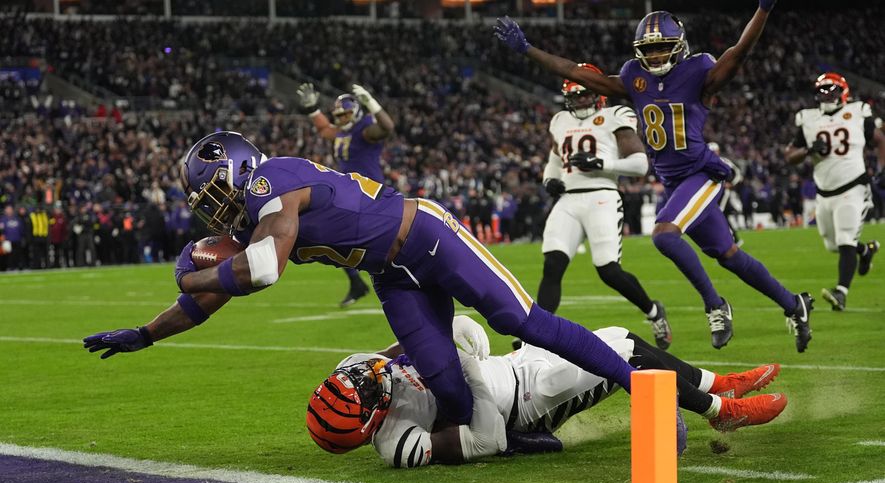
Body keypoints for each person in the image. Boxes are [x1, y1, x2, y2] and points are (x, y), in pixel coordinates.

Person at [85, 131, 647, 428]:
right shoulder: (258, 210)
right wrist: (147, 332)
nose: (214, 211)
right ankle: (518, 434)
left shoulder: (268, 181)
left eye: (214, 193)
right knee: (452, 397)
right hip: (393, 275)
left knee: (519, 320)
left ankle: (640, 391)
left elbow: (260, 271)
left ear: (238, 170)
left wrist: (188, 279)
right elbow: (214, 300)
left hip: (428, 237)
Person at [494, 2, 815, 352]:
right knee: (729, 255)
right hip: (674, 181)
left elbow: (738, 53)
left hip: (701, 173)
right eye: (649, 49)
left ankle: (715, 305)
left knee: (664, 235)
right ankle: (793, 304)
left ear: (679, 46)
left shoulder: (698, 72)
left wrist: (763, 11)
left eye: (663, 46)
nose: (657, 54)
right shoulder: (635, 77)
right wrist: (527, 50)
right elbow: (577, 72)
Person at [307, 315, 786, 467]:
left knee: (618, 333)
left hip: (510, 366)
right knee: (618, 351)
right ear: (369, 424)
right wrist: (470, 368)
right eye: (366, 396)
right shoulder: (398, 444)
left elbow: (403, 347)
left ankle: (714, 384)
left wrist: (450, 326)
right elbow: (488, 440)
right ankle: (721, 409)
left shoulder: (355, 371)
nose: (368, 378)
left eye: (354, 380)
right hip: (524, 405)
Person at [514, 65, 671, 351]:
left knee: (608, 270)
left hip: (602, 196)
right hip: (569, 200)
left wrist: (603, 164)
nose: (579, 102)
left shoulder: (614, 116)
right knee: (553, 265)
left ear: (598, 94)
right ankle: (536, 337)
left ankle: (652, 311)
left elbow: (639, 164)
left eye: (585, 95)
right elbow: (553, 158)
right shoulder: (560, 120)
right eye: (574, 97)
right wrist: (550, 179)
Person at [784, 73, 885, 311]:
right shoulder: (808, 118)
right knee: (833, 245)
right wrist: (808, 150)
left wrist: (883, 169)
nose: (827, 94)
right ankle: (866, 249)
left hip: (854, 185)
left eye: (832, 89)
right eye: (823, 89)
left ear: (843, 92)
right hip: (824, 191)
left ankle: (841, 292)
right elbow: (790, 155)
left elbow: (880, 139)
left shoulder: (857, 111)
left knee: (844, 238)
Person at [296, 82, 396, 307]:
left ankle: (378, 280)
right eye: (339, 115)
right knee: (333, 236)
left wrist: (371, 102)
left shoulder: (365, 129)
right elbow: (325, 130)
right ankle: (358, 282)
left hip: (368, 193)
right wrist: (312, 109)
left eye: (346, 114)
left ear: (358, 112)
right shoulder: (345, 131)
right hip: (350, 191)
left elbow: (387, 127)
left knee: (343, 236)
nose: (341, 118)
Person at [708, 142, 743, 246]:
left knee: (719, 214)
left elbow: (737, 173)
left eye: (714, 151)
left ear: (718, 151)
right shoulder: (706, 162)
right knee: (720, 215)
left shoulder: (724, 161)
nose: (713, 153)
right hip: (711, 192)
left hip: (722, 192)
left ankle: (728, 239)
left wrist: (731, 183)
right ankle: (732, 238)